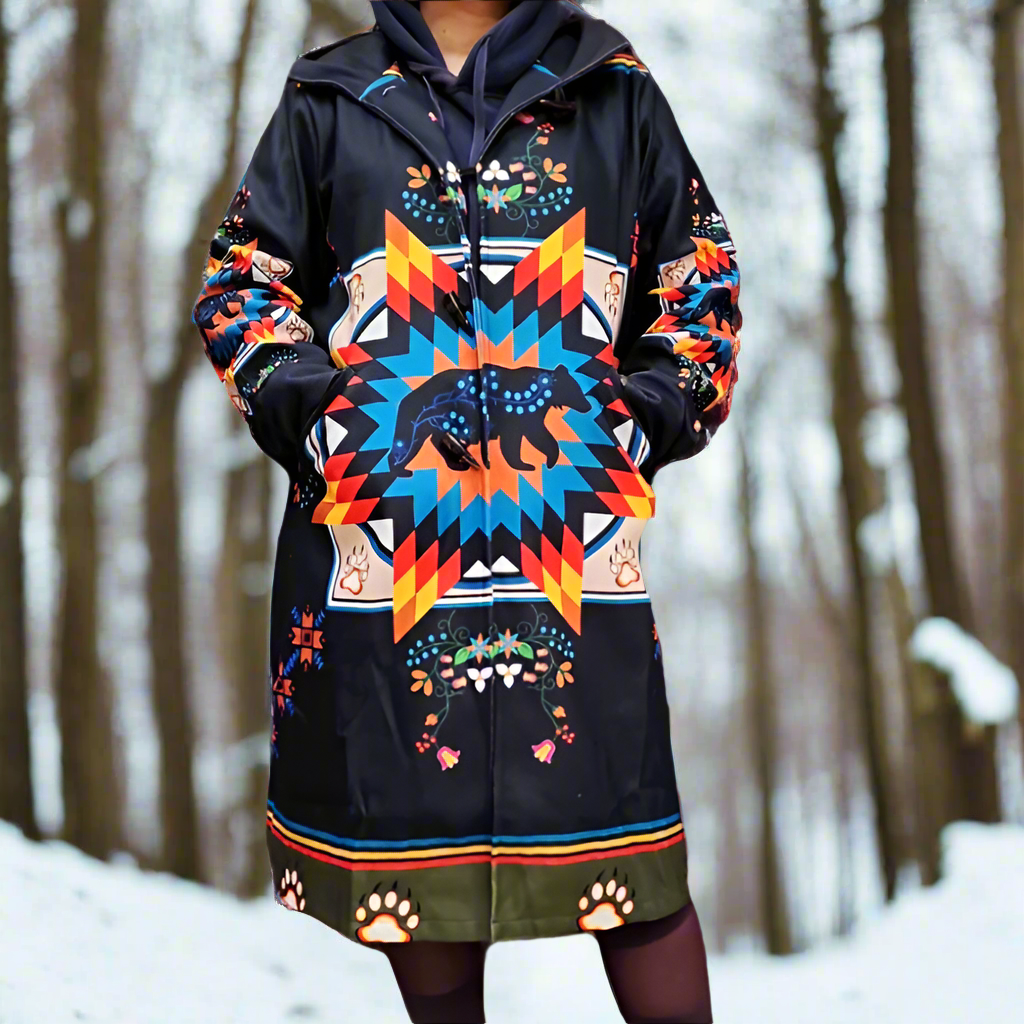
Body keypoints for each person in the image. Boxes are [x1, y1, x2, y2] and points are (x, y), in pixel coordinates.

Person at [193, 1, 741, 1021]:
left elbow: (700, 284)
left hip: (571, 552)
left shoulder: (612, 90)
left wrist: (640, 417)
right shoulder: (328, 98)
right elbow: (241, 287)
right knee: (421, 873)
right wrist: (327, 416)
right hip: (389, 548)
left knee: (631, 862)